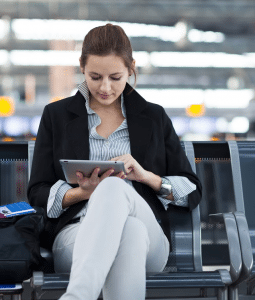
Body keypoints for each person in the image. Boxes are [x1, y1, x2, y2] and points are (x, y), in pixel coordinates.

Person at [27, 23, 202, 300]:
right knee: (128, 232)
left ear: (131, 68)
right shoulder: (57, 116)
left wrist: (146, 177)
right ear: (82, 66)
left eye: (116, 77)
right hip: (77, 235)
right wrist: (81, 193)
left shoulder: (153, 118)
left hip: (150, 238)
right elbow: (37, 192)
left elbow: (192, 190)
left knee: (116, 193)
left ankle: (78, 296)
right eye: (95, 77)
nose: (105, 88)